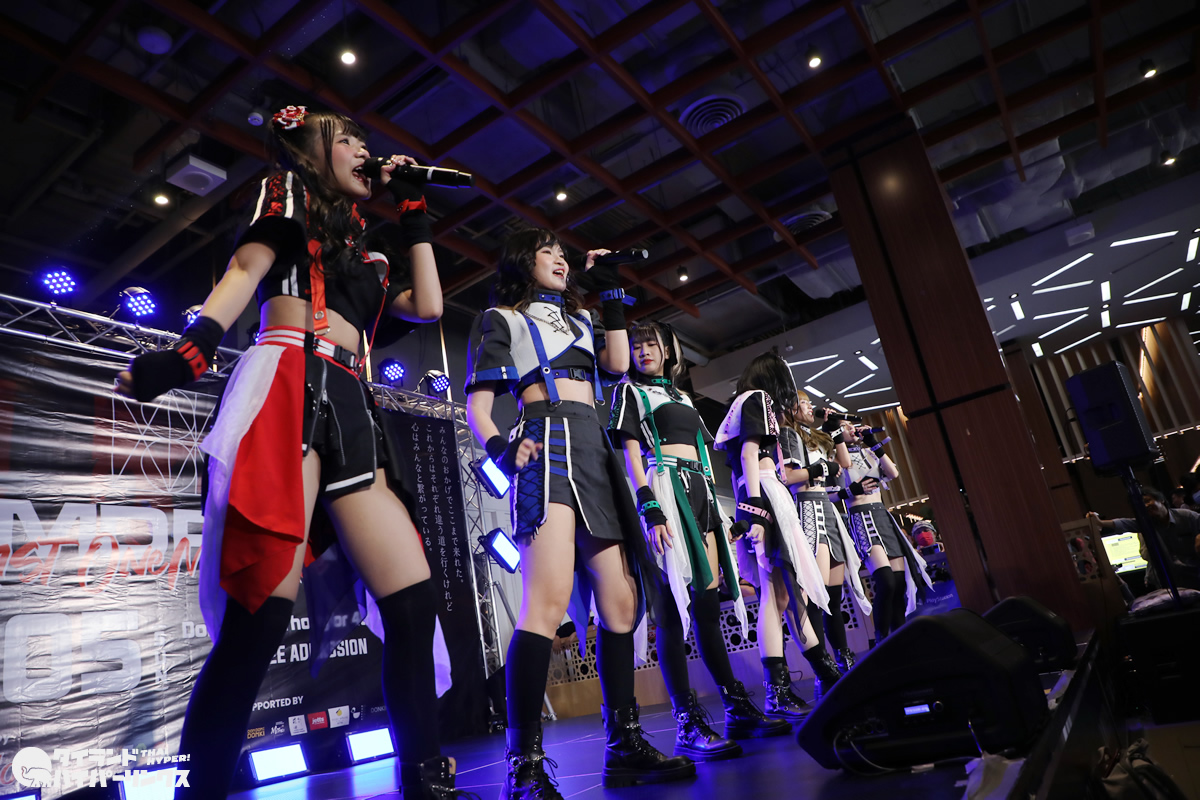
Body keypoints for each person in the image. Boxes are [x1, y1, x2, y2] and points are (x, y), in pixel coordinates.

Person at [115, 106, 458, 798]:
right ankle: (199, 790)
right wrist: (189, 354)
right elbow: (247, 267)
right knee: (259, 617)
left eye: (363, 141)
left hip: (353, 400)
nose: (362, 150)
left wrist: (414, 209)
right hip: (288, 382)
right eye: (347, 139)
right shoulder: (288, 191)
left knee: (413, 602)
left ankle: (427, 780)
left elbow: (429, 306)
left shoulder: (367, 248)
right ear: (312, 149)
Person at [465, 229, 695, 799]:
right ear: (522, 261)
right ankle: (524, 767)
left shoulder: (581, 320)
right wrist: (499, 449)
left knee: (622, 605)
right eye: (547, 252)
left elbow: (616, 365)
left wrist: (611, 289)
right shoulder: (503, 319)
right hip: (545, 446)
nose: (560, 259)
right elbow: (477, 407)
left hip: (595, 449)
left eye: (562, 253)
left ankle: (624, 744)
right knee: (544, 605)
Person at [608, 322, 790, 760]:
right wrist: (649, 505)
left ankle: (735, 706)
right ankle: (686, 722)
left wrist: (719, 510)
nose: (643, 351)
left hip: (701, 493)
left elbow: (705, 453)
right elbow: (631, 454)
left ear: (668, 350)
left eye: (651, 344)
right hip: (664, 488)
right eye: (636, 345)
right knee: (672, 610)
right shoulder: (630, 392)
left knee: (708, 606)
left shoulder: (683, 397)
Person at [714, 352, 843, 721]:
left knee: (783, 595)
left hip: (760, 494)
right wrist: (756, 507)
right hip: (765, 495)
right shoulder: (757, 399)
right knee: (777, 596)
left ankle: (817, 677)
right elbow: (749, 455)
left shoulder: (743, 404)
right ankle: (785, 689)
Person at [778, 394, 870, 679]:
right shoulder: (788, 434)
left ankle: (843, 657)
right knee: (816, 597)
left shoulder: (814, 436)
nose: (810, 407)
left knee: (834, 595)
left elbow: (844, 462)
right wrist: (817, 469)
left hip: (828, 510)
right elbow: (786, 477)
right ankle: (824, 668)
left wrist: (834, 429)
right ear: (792, 408)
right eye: (805, 403)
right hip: (807, 508)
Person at [838, 421, 932, 643]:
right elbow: (830, 492)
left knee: (898, 583)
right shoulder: (836, 459)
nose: (851, 428)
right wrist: (850, 491)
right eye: (844, 426)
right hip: (862, 518)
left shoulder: (869, 453)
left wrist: (873, 443)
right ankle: (880, 639)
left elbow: (893, 473)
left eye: (852, 425)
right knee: (886, 581)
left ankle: (900, 639)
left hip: (882, 515)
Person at [1089, 487, 1200, 591]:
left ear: (1161, 500)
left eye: (1147, 501)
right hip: (1171, 581)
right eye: (1140, 505)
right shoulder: (1147, 523)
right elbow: (1125, 523)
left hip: (1195, 574)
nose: (1145, 506)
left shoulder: (1187, 517)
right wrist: (1100, 522)